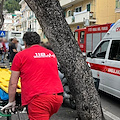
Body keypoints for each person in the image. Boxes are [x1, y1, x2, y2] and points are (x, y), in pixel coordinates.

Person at [1, 32, 64, 120]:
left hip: (39, 99)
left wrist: (11, 101)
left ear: (25, 43)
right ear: (39, 42)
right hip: (57, 97)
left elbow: (13, 83)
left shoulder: (21, 56)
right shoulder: (50, 54)